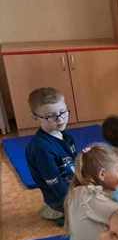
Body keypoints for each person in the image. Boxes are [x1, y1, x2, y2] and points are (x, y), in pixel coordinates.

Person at [64, 144, 118, 240]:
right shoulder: (92, 198)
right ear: (102, 174)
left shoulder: (80, 189)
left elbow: (117, 186)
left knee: (117, 192)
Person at [25, 87, 77, 223]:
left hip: (74, 187)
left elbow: (75, 164)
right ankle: (53, 211)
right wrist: (73, 203)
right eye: (50, 116)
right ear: (35, 117)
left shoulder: (66, 136)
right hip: (61, 199)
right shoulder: (41, 148)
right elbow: (55, 183)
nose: (60, 119)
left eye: (63, 112)